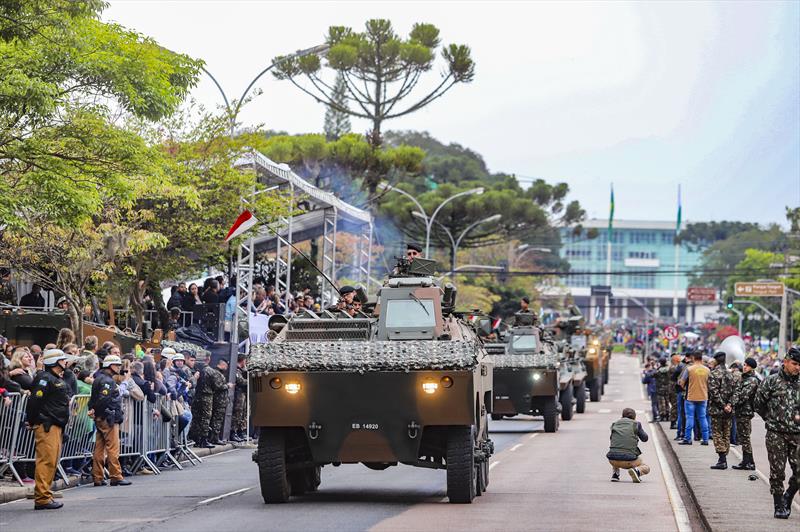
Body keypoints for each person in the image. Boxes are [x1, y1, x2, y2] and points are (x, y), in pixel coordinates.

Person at [753, 346, 800, 519]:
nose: (797, 368)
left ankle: (788, 496)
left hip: (798, 435)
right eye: (794, 363)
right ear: (786, 362)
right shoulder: (771, 381)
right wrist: (771, 419)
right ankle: (779, 504)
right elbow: (758, 404)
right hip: (776, 433)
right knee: (777, 472)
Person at [26, 348, 71, 510]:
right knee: (46, 460)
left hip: (56, 425)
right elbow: (34, 402)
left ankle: (45, 494)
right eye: (62, 359)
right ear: (55, 362)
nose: (65, 362)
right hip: (47, 424)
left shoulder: (54, 378)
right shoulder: (44, 379)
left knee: (52, 461)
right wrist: (31, 421)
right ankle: (42, 498)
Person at [87, 354, 131, 487]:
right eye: (117, 365)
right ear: (111, 366)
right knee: (113, 448)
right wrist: (102, 412)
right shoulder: (108, 381)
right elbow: (103, 399)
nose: (119, 368)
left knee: (99, 448)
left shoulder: (98, 378)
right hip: (108, 417)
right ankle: (116, 476)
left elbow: (93, 399)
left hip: (100, 417)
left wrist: (94, 411)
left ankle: (98, 477)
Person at [708, 351, 736, 469]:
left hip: (717, 409)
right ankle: (724, 458)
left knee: (717, 433)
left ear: (716, 360)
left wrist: (723, 405)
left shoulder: (714, 374)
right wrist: (729, 404)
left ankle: (722, 459)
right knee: (726, 433)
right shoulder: (731, 374)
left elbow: (713, 392)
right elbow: (735, 392)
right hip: (728, 410)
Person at [606, 407, 650, 483]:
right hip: (629, 461)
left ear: (622, 416)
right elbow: (645, 438)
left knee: (617, 448)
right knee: (646, 467)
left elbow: (612, 439)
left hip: (612, 459)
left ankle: (615, 474)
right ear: (634, 417)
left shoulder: (614, 424)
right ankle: (637, 471)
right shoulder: (636, 424)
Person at [732, 357, 760, 470]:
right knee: (743, 437)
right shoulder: (745, 378)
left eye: (747, 365)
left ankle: (749, 463)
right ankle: (746, 461)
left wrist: (734, 399)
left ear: (752, 367)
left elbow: (743, 396)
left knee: (745, 438)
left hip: (745, 411)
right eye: (744, 365)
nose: (744, 367)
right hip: (741, 411)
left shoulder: (752, 380)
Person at [679, 351, 710, 445]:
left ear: (693, 358)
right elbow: (710, 384)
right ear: (701, 358)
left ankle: (687, 439)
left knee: (690, 417)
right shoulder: (707, 370)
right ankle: (705, 439)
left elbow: (682, 383)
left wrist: (684, 386)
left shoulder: (689, 369)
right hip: (703, 396)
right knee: (703, 418)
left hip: (691, 397)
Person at [209, 358, 233, 445]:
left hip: (221, 400)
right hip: (218, 401)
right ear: (222, 364)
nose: (226, 368)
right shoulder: (216, 373)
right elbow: (218, 386)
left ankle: (215, 437)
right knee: (217, 419)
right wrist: (227, 386)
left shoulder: (219, 373)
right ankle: (214, 438)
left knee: (218, 419)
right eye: (226, 366)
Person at [230, 354, 248, 442]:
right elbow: (240, 381)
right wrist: (249, 381)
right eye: (245, 360)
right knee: (237, 413)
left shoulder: (242, 370)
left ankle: (241, 431)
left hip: (243, 394)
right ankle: (233, 431)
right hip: (238, 394)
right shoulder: (236, 370)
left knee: (243, 413)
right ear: (242, 360)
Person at [655, 357, 671, 422]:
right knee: (667, 402)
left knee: (661, 403)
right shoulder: (668, 370)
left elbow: (653, 375)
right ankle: (667, 415)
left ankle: (662, 416)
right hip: (667, 388)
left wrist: (657, 367)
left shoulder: (658, 371)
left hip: (660, 389)